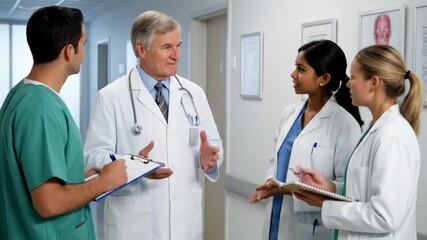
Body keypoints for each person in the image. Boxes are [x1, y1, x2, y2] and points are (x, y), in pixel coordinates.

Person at [83, 10, 223, 240]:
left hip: (185, 225)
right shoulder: (111, 96)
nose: (176, 55)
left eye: (178, 46)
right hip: (134, 226)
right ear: (141, 49)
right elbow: (92, 157)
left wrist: (208, 159)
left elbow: (214, 145)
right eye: (167, 47)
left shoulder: (193, 93)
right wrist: (135, 166)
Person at [0, 6, 128, 240]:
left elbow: (29, 173)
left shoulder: (20, 95)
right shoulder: (42, 109)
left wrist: (79, 176)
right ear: (69, 51)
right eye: (85, 43)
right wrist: (104, 183)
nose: (84, 51)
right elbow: (49, 202)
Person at [295, 45, 423, 240]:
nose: (348, 84)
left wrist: (326, 204)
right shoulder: (376, 129)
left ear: (373, 82)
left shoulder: (393, 136)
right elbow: (364, 192)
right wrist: (330, 188)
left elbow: (385, 216)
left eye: (353, 77)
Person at [249, 40, 363, 240]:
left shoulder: (344, 124)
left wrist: (300, 190)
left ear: (324, 78)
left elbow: (349, 187)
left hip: (312, 227)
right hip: (276, 217)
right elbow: (275, 161)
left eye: (301, 69)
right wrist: (270, 181)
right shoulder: (289, 114)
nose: (293, 74)